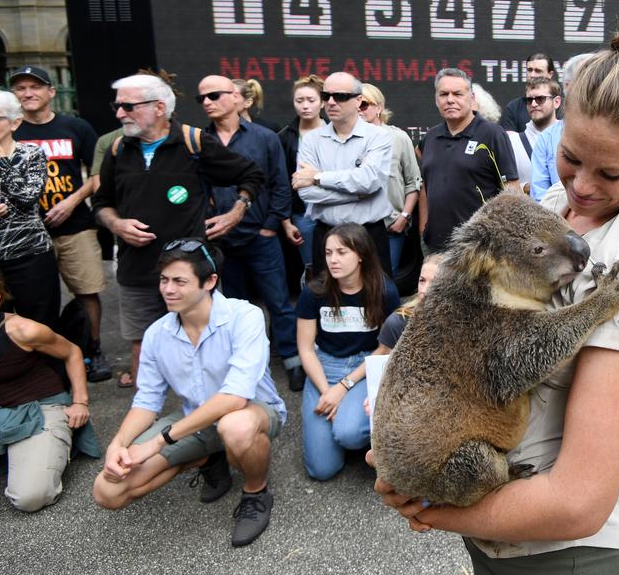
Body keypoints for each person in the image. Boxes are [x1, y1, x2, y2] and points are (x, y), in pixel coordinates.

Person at [376, 8, 619, 574]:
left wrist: (425, 511)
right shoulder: (544, 210)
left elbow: (577, 505)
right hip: (494, 521)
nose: (583, 186)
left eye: (611, 174)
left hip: (564, 549)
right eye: (570, 158)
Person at [92, 240, 286, 547]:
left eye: (180, 281)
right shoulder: (157, 333)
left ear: (209, 282)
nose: (168, 289)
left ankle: (255, 492)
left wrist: (159, 442)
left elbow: (235, 398)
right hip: (194, 422)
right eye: (164, 280)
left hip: (253, 412)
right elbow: (146, 402)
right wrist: (118, 444)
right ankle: (206, 457)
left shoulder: (243, 316)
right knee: (107, 491)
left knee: (234, 427)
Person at [93, 74, 265, 388]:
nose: (119, 114)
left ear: (159, 107)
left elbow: (250, 174)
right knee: (142, 345)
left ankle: (219, 414)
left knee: (211, 343)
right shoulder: (118, 149)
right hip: (137, 269)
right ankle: (145, 424)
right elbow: (101, 203)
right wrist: (116, 223)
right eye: (117, 106)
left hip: (191, 270)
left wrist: (236, 212)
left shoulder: (193, 142)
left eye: (128, 106)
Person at [199, 75, 304, 392]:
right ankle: (245, 369)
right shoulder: (198, 141)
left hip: (261, 237)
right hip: (220, 242)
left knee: (279, 303)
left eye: (214, 95)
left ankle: (292, 361)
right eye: (201, 98)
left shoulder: (264, 138)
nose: (206, 102)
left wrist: (270, 227)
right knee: (231, 309)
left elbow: (280, 185)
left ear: (236, 98)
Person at [11, 66, 110, 381]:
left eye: (35, 87)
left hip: (74, 226)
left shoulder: (76, 127)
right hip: (26, 232)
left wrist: (71, 201)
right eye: (21, 88)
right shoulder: (9, 132)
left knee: (87, 290)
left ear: (51, 92)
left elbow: (98, 175)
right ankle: (36, 356)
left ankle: (92, 350)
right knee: (29, 298)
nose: (28, 93)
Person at [0, 265, 99, 512]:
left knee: (30, 496)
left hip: (37, 407)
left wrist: (80, 401)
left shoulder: (23, 330)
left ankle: (54, 446)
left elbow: (72, 352)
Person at [296, 224, 399, 481]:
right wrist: (327, 391)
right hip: (324, 367)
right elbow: (306, 349)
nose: (333, 259)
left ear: (361, 254)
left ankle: (364, 432)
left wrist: (343, 387)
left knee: (349, 434)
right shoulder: (314, 292)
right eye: (329, 252)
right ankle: (342, 422)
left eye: (342, 252)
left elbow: (385, 347)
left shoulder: (384, 290)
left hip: (364, 366)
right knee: (322, 470)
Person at [292, 71, 394, 277]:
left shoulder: (379, 137)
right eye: (325, 96)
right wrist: (357, 194)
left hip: (368, 234)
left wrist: (318, 177)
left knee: (378, 301)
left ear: (358, 101)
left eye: (339, 96)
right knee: (327, 303)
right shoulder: (311, 140)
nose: (330, 102)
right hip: (326, 235)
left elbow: (368, 181)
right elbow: (306, 193)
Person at [419, 68, 519, 253]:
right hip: (435, 248)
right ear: (436, 99)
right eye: (444, 94)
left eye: (457, 94)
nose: (450, 99)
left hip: (479, 249)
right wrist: (423, 230)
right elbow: (426, 186)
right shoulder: (430, 138)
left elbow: (511, 190)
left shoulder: (493, 135)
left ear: (472, 98)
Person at [0, 90, 59, 331]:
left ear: (15, 122)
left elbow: (27, 198)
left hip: (28, 255)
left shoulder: (31, 154)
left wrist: (0, 160)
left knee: (40, 325)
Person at [357, 84, 421, 277]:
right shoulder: (344, 139)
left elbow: (413, 182)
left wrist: (404, 217)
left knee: (384, 280)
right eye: (355, 104)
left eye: (364, 105)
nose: (358, 110)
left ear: (379, 108)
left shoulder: (398, 138)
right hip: (354, 226)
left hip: (390, 226)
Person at [278, 75, 325, 275]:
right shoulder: (284, 136)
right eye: (300, 101)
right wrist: (286, 222)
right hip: (301, 211)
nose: (305, 106)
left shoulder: (336, 133)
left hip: (332, 206)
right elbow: (279, 182)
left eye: (311, 100)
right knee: (311, 266)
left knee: (335, 260)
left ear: (322, 103)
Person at [529, 54, 588, 201]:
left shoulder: (618, 135)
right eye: (586, 79)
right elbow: (540, 197)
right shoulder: (547, 139)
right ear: (567, 86)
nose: (594, 86)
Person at [507, 77, 561, 193]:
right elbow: (502, 184)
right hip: (528, 208)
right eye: (529, 100)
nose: (534, 104)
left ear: (556, 102)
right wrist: (525, 187)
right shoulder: (513, 142)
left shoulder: (570, 138)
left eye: (540, 99)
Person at [500, 53, 556, 132]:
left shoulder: (564, 108)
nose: (532, 75)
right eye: (529, 70)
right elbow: (507, 142)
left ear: (550, 74)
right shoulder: (513, 108)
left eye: (538, 71)